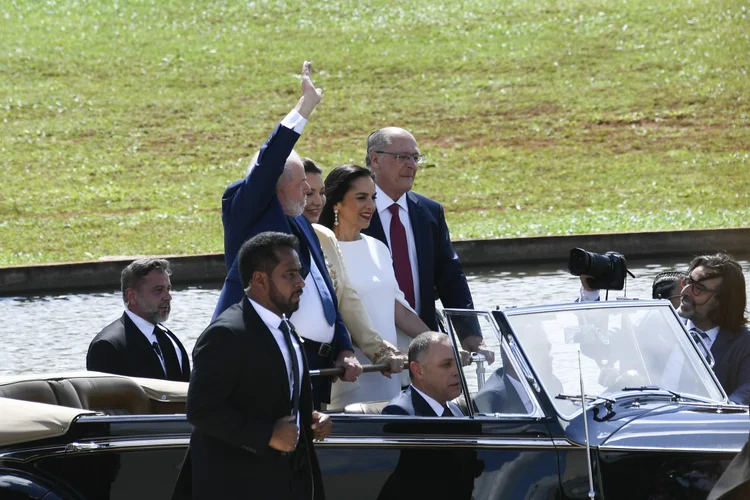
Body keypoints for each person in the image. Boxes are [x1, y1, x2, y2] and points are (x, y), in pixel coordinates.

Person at [213, 61, 361, 407]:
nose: (309, 195)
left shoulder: (302, 224)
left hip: (316, 364)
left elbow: (325, 292)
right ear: (275, 187)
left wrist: (343, 346)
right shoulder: (246, 206)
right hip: (265, 353)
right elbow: (270, 161)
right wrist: (304, 107)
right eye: (301, 187)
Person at [186, 232, 331, 500]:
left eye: (299, 273)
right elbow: (201, 410)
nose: (300, 283)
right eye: (289, 274)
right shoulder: (226, 334)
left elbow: (275, 396)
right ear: (260, 279)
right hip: (240, 485)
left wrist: (307, 417)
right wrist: (267, 435)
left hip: (291, 482)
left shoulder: (285, 328)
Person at [363, 127, 493, 363]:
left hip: (425, 341)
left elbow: (450, 277)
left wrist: (471, 336)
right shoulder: (353, 211)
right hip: (371, 345)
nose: (412, 165)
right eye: (402, 157)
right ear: (375, 160)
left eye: (415, 157)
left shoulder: (430, 212)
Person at [317, 164, 430, 407]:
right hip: (351, 373)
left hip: (389, 371)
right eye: (361, 198)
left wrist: (435, 343)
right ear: (336, 202)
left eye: (373, 197)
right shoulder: (322, 250)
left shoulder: (378, 247)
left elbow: (398, 309)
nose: (371, 205)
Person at [378, 332, 482, 500]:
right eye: (446, 364)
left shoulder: (456, 410)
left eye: (457, 363)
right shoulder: (401, 415)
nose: (457, 372)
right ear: (418, 371)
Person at [86, 258, 190, 382]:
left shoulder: (170, 339)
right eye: (158, 290)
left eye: (168, 289)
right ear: (132, 296)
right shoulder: (107, 346)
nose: (168, 297)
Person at [677, 253, 750, 405]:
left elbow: (745, 393)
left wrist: (718, 412)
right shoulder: (659, 328)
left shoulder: (745, 344)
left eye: (698, 289)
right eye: (688, 282)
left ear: (722, 301)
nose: (684, 293)